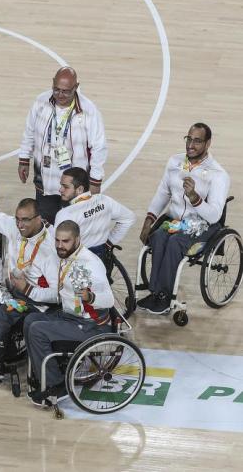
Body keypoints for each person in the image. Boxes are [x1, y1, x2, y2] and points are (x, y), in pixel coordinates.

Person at [137, 122, 230, 314]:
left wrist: (195, 198)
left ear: (208, 143)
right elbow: (162, 193)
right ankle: (155, 292)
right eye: (189, 139)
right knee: (158, 237)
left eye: (197, 141)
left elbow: (214, 216)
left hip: (203, 225)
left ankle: (165, 296)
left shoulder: (218, 175)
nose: (191, 145)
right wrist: (148, 221)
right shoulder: (174, 162)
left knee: (175, 243)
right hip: (175, 221)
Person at [0, 198, 59, 383]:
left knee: (2, 313)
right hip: (14, 294)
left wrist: (28, 289)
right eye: (17, 219)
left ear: (39, 218)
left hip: (36, 302)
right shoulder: (15, 228)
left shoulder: (49, 250)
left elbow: (57, 294)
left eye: (25, 220)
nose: (20, 225)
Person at [24, 220, 114, 406]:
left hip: (91, 325)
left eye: (65, 241)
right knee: (30, 319)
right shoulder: (63, 257)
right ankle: (42, 375)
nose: (60, 245)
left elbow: (109, 300)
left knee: (37, 330)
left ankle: (57, 386)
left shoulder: (91, 263)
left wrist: (90, 297)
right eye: (57, 240)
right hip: (70, 316)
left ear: (77, 240)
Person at [18, 67, 107, 223]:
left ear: (76, 87)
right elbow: (29, 131)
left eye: (66, 91)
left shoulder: (89, 110)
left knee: (72, 225)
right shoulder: (40, 102)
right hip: (46, 179)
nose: (60, 95)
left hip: (74, 185)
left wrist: (95, 180)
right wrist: (24, 159)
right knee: (46, 223)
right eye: (56, 89)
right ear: (52, 83)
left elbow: (99, 147)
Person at [55, 167, 135, 257]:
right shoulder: (105, 201)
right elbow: (129, 218)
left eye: (65, 187)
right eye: (61, 185)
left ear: (80, 189)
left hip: (77, 259)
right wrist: (110, 242)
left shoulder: (65, 214)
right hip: (102, 256)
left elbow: (56, 248)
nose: (60, 190)